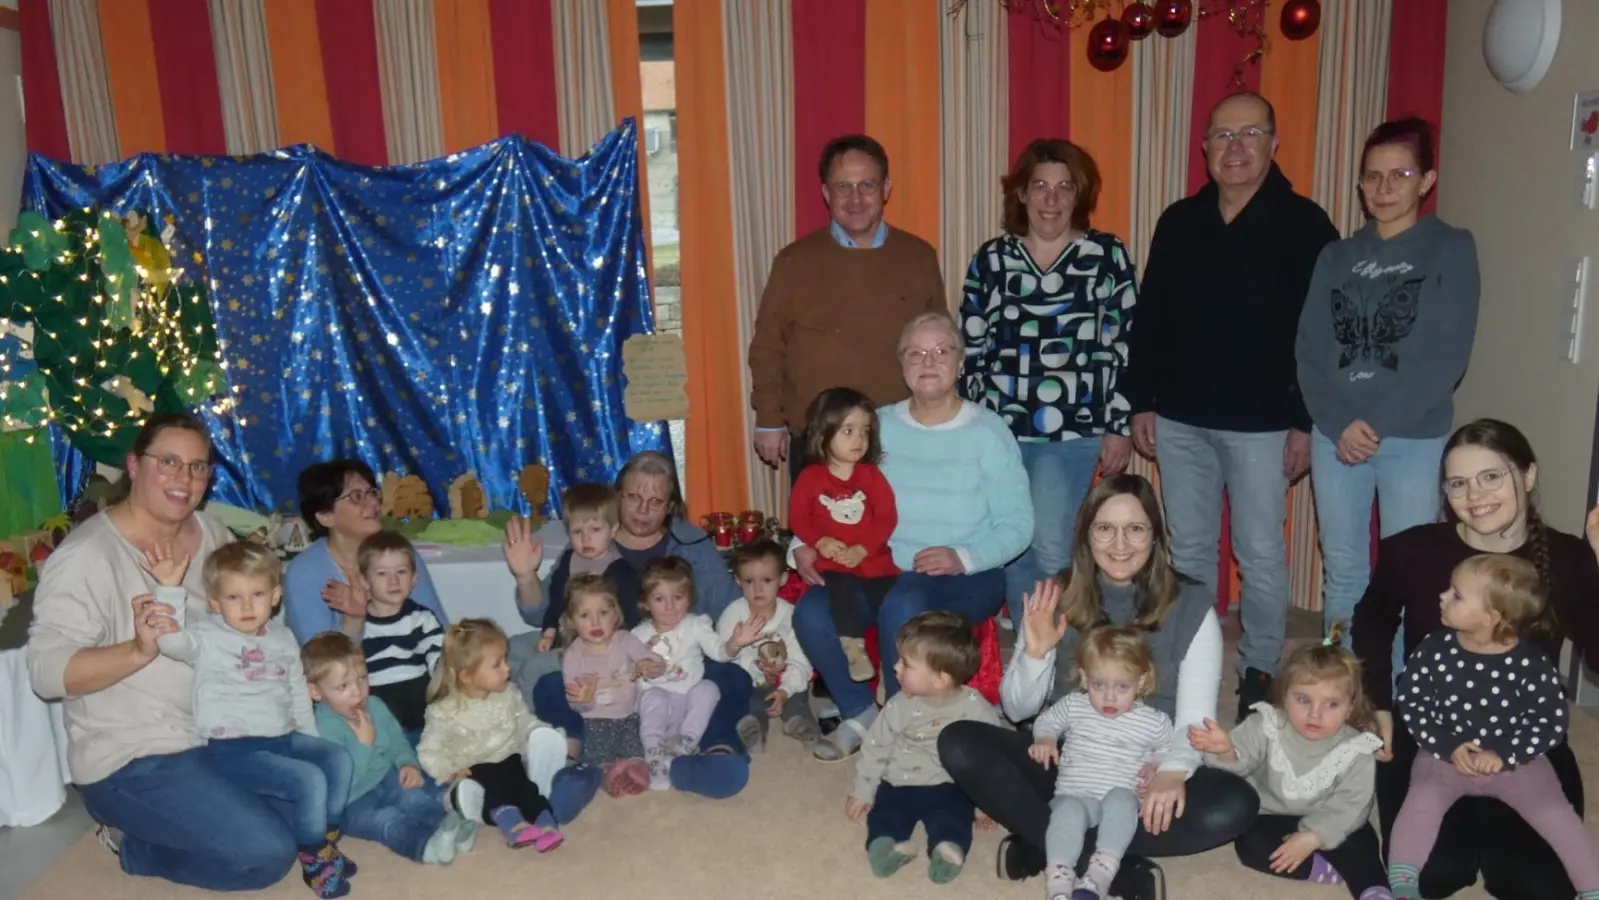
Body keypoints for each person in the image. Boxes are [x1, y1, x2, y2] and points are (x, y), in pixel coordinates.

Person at [937, 474, 1257, 900]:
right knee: (959, 741)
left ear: (1156, 537)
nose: (1120, 544)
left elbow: (1194, 722)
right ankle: (1101, 862)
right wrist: (1034, 653)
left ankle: (1050, 845)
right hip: (1069, 767)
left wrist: (1173, 773)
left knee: (1236, 803)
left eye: (1136, 529)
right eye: (1105, 528)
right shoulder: (1056, 593)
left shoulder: (1191, 604)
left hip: (1142, 774)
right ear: (1086, 536)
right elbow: (1017, 711)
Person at [1124, 91, 1340, 717]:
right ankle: (1196, 662)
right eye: (1222, 135)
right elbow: (1152, 317)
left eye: (1250, 134)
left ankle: (1260, 669)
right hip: (1181, 416)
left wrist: (1305, 420)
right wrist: (1142, 400)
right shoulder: (1179, 221)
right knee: (1189, 554)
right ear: (1205, 149)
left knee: (1260, 554)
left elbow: (1320, 334)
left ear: (1275, 144)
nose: (1236, 147)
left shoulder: (1306, 224)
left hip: (1265, 424)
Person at [27, 412, 299, 890]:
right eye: (169, 462)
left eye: (198, 467)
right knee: (265, 854)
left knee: (314, 803)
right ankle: (133, 847)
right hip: (133, 758)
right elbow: (46, 674)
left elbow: (244, 627)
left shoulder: (211, 534)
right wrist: (137, 649)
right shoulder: (86, 557)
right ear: (134, 466)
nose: (185, 478)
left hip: (220, 734)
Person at [1351, 418, 1599, 900]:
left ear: (1527, 476)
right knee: (1433, 875)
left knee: (1539, 886)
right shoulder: (1413, 550)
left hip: (1525, 739)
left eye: (1491, 476)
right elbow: (1373, 620)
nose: (1474, 494)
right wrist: (1378, 703)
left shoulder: (1569, 558)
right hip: (1432, 733)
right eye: (1458, 483)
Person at [790, 312, 1032, 762]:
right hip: (877, 567)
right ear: (901, 365)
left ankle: (900, 721)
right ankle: (862, 713)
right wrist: (799, 546)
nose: (929, 362)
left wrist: (962, 556)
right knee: (811, 611)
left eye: (942, 351)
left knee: (904, 603)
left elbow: (1019, 525)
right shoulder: (875, 427)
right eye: (916, 353)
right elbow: (823, 490)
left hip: (967, 576)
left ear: (960, 363)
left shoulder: (988, 432)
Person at [1297, 117, 1480, 635]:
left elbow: (1449, 356)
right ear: (1359, 184)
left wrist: (1372, 425)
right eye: (1372, 177)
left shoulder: (1451, 247)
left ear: (1426, 180)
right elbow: (1309, 351)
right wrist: (1339, 424)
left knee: (1410, 571)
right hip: (1336, 436)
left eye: (1399, 174)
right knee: (1346, 570)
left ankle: (1403, 695)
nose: (1384, 189)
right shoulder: (1337, 256)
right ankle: (1344, 691)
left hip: (1413, 437)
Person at [960, 138, 1138, 628]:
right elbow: (972, 349)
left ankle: (1055, 650)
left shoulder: (1106, 256)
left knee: (1052, 543)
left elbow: (1124, 345)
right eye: (1040, 187)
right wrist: (969, 431)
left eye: (1064, 187)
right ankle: (1029, 655)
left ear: (1079, 195)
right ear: (1020, 194)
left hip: (1075, 428)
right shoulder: (993, 259)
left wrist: (1118, 425)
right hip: (1002, 430)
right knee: (1013, 543)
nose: (1052, 199)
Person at [515, 450, 752, 798]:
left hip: (673, 667)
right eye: (634, 497)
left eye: (656, 501)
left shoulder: (692, 542)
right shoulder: (593, 536)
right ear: (617, 497)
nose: (643, 510)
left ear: (670, 506)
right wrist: (525, 575)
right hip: (603, 664)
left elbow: (730, 604)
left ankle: (714, 755)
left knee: (733, 678)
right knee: (551, 683)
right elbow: (541, 614)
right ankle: (572, 764)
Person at [148, 540, 356, 898]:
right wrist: (168, 589)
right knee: (307, 781)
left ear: (275, 596)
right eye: (233, 597)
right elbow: (171, 644)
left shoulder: (283, 637)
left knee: (336, 759)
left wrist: (312, 739)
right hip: (233, 749)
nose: (247, 606)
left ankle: (324, 840)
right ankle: (314, 861)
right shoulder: (209, 636)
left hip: (282, 737)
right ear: (214, 602)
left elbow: (295, 691)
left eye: (257, 594)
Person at [1386, 554, 1596, 899]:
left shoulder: (1531, 663)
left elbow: (1551, 720)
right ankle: (1404, 884)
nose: (1442, 596)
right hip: (1446, 757)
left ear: (1491, 617)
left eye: (1456, 595)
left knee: (1557, 814)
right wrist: (1449, 744)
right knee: (1420, 802)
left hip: (1516, 763)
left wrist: (1506, 753)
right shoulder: (1433, 649)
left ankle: (1593, 887)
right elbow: (1412, 702)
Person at [748, 133, 948, 482]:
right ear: (826, 193)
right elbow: (767, 346)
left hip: (899, 438)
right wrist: (768, 418)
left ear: (886, 188)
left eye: (866, 185)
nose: (855, 199)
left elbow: (941, 346)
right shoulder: (794, 261)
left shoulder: (918, 257)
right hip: (817, 438)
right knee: (822, 537)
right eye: (843, 187)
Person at [1189, 626, 1390, 900]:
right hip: (1273, 817)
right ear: (1284, 695)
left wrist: (1314, 837)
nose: (1315, 714)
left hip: (1330, 816)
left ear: (1350, 707)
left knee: (1363, 842)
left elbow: (1353, 804)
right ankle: (1322, 870)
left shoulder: (1356, 748)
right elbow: (1240, 763)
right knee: (1250, 844)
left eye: (1331, 704)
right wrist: (1226, 750)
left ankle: (1373, 890)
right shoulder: (1267, 724)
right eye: (1303, 700)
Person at [846, 612, 1002, 885]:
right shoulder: (899, 705)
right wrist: (863, 790)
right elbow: (875, 747)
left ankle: (948, 850)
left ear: (940, 679)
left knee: (954, 817)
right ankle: (885, 849)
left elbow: (988, 757)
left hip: (949, 784)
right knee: (884, 815)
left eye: (905, 664)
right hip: (898, 781)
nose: (895, 668)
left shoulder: (975, 707)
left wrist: (984, 804)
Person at [303, 633, 480, 866]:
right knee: (385, 820)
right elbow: (340, 785)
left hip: (385, 776)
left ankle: (453, 822)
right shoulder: (320, 729)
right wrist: (364, 745)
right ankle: (425, 846)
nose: (357, 692)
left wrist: (407, 763)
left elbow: (397, 739)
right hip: (351, 802)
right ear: (316, 692)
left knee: (412, 797)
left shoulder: (374, 706)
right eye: (343, 686)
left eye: (362, 679)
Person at [1030, 627, 1176, 900]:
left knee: (1123, 800)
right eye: (1099, 685)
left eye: (1122, 687)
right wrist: (1047, 739)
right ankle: (1059, 882)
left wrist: (1156, 766)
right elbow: (1046, 721)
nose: (1109, 697)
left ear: (1141, 682)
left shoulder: (1154, 721)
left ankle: (1100, 873)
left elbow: (1172, 749)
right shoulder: (1075, 705)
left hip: (1119, 800)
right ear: (1085, 678)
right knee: (1066, 812)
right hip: (1076, 795)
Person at [417, 619, 568, 852]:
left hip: (510, 757)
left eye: (505, 660)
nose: (507, 669)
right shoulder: (443, 712)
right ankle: (511, 823)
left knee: (525, 787)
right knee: (496, 789)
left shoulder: (507, 693)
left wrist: (536, 730)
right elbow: (429, 750)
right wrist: (447, 770)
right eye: (497, 665)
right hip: (474, 767)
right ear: (467, 676)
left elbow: (522, 719)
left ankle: (544, 820)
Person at [788, 386, 898, 681]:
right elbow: (798, 518)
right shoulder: (810, 478)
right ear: (823, 433)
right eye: (848, 431)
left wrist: (863, 549)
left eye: (865, 432)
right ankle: (853, 649)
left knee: (891, 606)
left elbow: (887, 517)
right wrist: (820, 541)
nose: (859, 440)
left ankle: (892, 674)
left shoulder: (871, 476)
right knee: (841, 591)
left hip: (874, 560)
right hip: (835, 561)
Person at [505, 482, 641, 704]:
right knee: (508, 651)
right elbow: (557, 599)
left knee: (533, 668)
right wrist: (548, 633)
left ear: (613, 530)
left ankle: (528, 723)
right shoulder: (569, 559)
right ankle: (496, 708)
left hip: (593, 650)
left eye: (595, 530)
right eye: (577, 532)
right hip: (562, 636)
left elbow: (630, 622)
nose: (586, 539)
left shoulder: (620, 572)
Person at [285, 459, 447, 644]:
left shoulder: (398, 553)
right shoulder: (305, 573)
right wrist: (354, 619)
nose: (372, 503)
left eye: (372, 493)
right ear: (326, 516)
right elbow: (320, 660)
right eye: (357, 497)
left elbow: (440, 633)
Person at [631, 557, 755, 790]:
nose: (670, 607)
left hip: (690, 708)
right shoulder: (637, 635)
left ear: (689, 598)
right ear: (645, 603)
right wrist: (636, 668)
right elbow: (620, 670)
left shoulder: (697, 625)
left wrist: (735, 643)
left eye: (678, 598)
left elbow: (720, 653)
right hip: (656, 710)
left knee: (708, 688)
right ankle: (655, 756)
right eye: (659, 599)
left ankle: (684, 748)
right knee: (653, 696)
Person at [559, 574, 659, 796]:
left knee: (637, 747)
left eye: (603, 613)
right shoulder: (574, 655)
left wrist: (647, 664)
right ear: (572, 621)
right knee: (596, 755)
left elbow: (654, 662)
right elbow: (576, 705)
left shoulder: (624, 640)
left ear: (615, 615)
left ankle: (636, 769)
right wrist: (585, 700)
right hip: (595, 720)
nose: (595, 623)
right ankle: (606, 775)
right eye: (585, 615)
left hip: (629, 716)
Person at [717, 540, 821, 752]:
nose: (757, 589)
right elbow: (723, 658)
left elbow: (801, 660)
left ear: (782, 578)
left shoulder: (792, 615)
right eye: (748, 581)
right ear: (737, 580)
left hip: (784, 677)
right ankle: (753, 730)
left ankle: (797, 722)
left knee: (798, 698)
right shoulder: (732, 615)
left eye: (766, 580)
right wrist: (740, 651)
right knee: (748, 702)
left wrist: (785, 690)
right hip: (750, 681)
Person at [355, 531, 444, 736]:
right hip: (379, 699)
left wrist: (444, 677)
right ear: (365, 581)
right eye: (382, 574)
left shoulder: (421, 618)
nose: (393, 581)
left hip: (418, 697)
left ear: (414, 578)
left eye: (401, 572)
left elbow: (437, 655)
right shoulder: (360, 624)